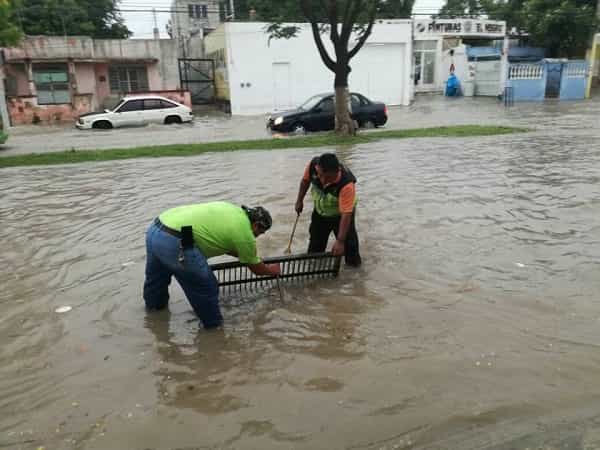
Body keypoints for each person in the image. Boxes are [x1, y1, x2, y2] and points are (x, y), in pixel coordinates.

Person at [143, 201, 280, 329]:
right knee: (206, 287)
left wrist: (249, 256)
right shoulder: (245, 234)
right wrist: (272, 270)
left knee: (156, 280)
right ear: (256, 225)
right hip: (177, 240)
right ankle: (213, 329)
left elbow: (224, 242)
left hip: (156, 229)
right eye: (260, 232)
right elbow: (256, 270)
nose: (258, 236)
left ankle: (153, 317)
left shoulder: (233, 210)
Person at [294, 153, 361, 267]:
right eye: (320, 175)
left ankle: (354, 274)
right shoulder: (313, 166)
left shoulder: (346, 184)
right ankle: (314, 271)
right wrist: (299, 200)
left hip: (342, 216)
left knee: (350, 250)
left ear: (337, 171)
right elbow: (305, 181)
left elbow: (346, 214)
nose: (324, 180)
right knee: (315, 250)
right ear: (317, 168)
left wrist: (340, 241)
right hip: (320, 213)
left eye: (328, 177)